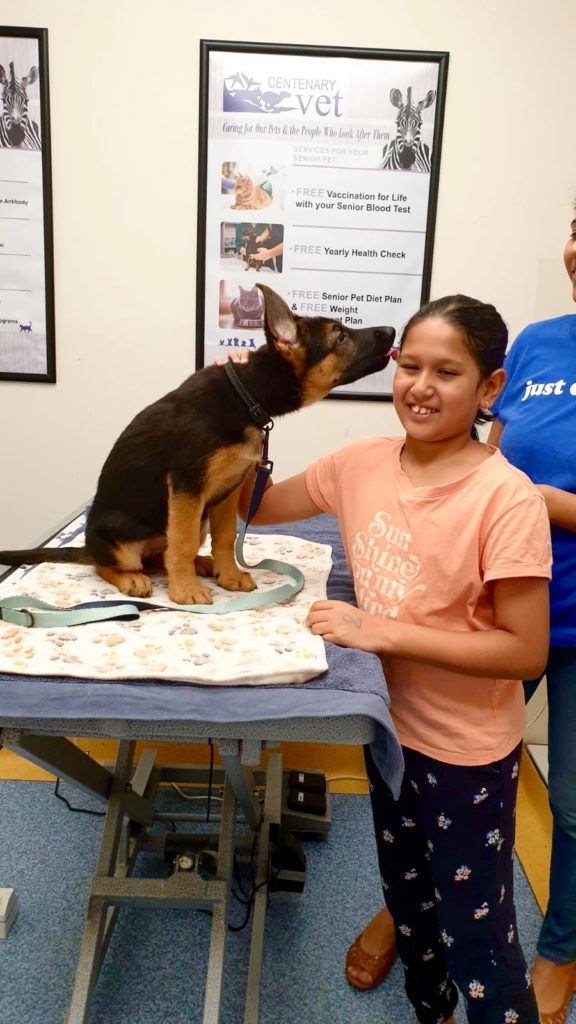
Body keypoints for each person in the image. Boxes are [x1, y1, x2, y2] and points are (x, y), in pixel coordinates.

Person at [237, 294, 552, 1024]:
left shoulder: (505, 500)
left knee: (479, 935)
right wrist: (244, 409)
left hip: (467, 755)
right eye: (409, 365)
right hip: (387, 737)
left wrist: (382, 632)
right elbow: (255, 504)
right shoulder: (360, 464)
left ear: (490, 389)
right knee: (409, 905)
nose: (420, 385)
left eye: (447, 371)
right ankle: (430, 1011)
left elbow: (523, 649)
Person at [485, 202, 576, 1024]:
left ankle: (559, 949)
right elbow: (492, 454)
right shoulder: (538, 341)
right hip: (510, 599)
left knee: (575, 803)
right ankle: (422, 914)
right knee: (457, 768)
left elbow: (526, 487)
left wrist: (546, 501)